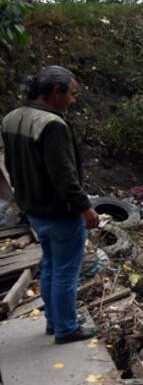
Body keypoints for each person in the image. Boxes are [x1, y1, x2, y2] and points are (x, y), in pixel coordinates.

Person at [1, 66, 99, 344]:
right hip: (60, 212)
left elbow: (10, 165)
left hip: (33, 210)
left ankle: (54, 322)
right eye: (71, 94)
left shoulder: (12, 118)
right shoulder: (52, 125)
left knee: (51, 266)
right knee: (66, 271)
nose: (73, 100)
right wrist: (85, 207)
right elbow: (64, 175)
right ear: (56, 92)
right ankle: (66, 329)